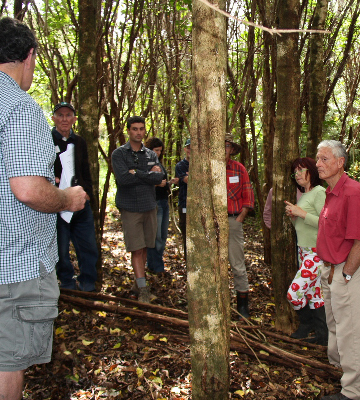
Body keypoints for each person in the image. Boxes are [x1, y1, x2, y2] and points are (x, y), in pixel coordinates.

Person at [0, 17, 87, 400]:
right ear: (29, 55)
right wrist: (68, 198)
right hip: (14, 266)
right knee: (8, 363)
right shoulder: (20, 107)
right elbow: (28, 189)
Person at [315, 140, 360, 400]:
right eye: (318, 159)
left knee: (350, 330)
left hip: (347, 271)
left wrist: (346, 274)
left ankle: (353, 392)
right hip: (330, 268)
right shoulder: (329, 192)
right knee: (334, 325)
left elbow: (358, 240)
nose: (318, 164)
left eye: (324, 159)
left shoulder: (353, 191)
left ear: (340, 162)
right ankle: (340, 371)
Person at [112, 116, 164, 303]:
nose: (138, 132)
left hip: (149, 206)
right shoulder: (119, 154)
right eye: (134, 129)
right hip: (131, 207)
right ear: (128, 131)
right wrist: (149, 175)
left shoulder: (150, 154)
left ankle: (137, 285)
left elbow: (161, 178)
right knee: (136, 249)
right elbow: (123, 179)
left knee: (144, 249)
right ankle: (143, 290)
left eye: (141, 129)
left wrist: (137, 173)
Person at [52, 102, 98, 292]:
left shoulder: (79, 141)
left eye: (68, 115)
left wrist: (87, 193)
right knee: (61, 249)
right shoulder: (46, 139)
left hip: (80, 202)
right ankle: (67, 284)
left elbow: (85, 169)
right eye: (60, 115)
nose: (64, 119)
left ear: (74, 119)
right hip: (58, 202)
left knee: (88, 246)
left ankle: (87, 284)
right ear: (54, 118)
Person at [284, 158, 327, 345]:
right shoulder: (304, 195)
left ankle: (306, 324)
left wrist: (300, 213)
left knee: (294, 293)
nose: (298, 174)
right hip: (303, 251)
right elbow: (304, 226)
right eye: (295, 172)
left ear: (312, 171)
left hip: (317, 252)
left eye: (302, 170)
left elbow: (327, 223)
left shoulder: (319, 192)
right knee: (315, 295)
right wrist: (295, 216)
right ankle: (322, 336)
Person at [225, 133, 254, 318]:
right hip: (211, 223)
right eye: (221, 145)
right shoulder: (207, 168)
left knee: (237, 264)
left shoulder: (238, 168)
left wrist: (241, 216)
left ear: (232, 149)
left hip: (233, 220)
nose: (224, 149)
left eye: (227, 146)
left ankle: (242, 304)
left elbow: (248, 194)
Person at [145, 137, 178, 273]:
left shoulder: (159, 163)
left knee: (163, 236)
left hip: (163, 201)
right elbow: (143, 180)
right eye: (156, 150)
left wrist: (169, 183)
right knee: (155, 236)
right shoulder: (146, 163)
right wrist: (156, 183)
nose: (158, 153)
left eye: (160, 150)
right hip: (155, 202)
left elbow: (162, 182)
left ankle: (155, 265)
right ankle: (155, 266)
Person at [175, 138, 190, 259]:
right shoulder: (180, 166)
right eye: (188, 147)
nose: (190, 150)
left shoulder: (202, 163)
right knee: (186, 235)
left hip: (201, 206)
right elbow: (186, 180)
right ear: (185, 149)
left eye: (193, 148)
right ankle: (188, 263)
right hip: (185, 205)